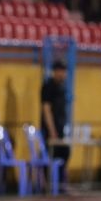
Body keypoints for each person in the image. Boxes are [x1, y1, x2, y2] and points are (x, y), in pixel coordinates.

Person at [41, 61, 69, 192]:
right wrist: (51, 129)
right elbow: (46, 109)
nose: (63, 74)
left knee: (64, 152)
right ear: (55, 72)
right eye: (61, 71)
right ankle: (47, 185)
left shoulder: (62, 87)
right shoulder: (48, 86)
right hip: (50, 130)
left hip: (60, 128)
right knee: (49, 155)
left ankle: (59, 183)